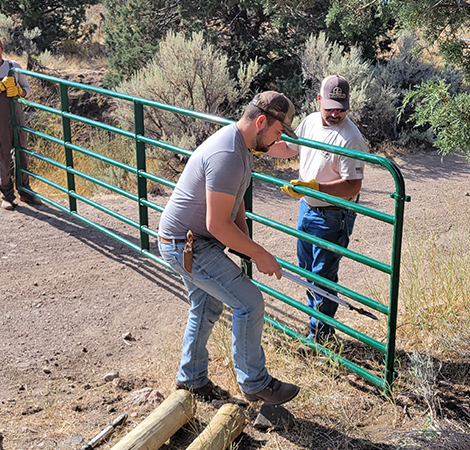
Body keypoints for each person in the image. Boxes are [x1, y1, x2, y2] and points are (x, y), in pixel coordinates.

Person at [157, 91, 301, 405]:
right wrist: (260, 254)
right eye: (277, 133)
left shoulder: (241, 146)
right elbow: (218, 225)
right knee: (249, 304)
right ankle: (255, 383)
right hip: (188, 245)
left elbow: (234, 208)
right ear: (261, 122)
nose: (277, 141)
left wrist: (247, 250)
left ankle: (191, 379)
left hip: (185, 241)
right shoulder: (228, 155)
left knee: (206, 306)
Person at [266, 75, 368, 342]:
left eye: (341, 108)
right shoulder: (310, 121)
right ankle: (316, 326)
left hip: (333, 215)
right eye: (330, 106)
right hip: (308, 207)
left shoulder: (350, 138)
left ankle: (321, 336)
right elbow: (289, 148)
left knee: (322, 274)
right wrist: (261, 147)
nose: (336, 113)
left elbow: (352, 186)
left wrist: (316, 188)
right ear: (319, 100)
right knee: (306, 268)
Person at [0, 33, 41, 210]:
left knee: (22, 154)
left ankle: (25, 192)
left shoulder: (14, 66)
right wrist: (0, 88)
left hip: (17, 116)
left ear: (2, 48)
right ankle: (7, 196)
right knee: (2, 157)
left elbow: (28, 90)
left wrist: (18, 90)